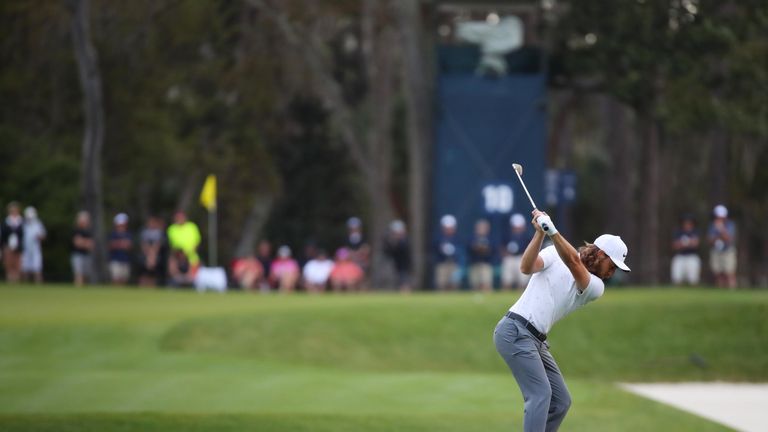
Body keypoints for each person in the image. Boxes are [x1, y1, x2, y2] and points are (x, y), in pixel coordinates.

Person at [494, 210, 630, 431]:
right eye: (612, 266)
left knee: (560, 401)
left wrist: (552, 231)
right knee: (540, 395)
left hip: (534, 339)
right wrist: (539, 233)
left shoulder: (596, 287)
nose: (612, 273)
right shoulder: (554, 254)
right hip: (514, 331)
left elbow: (575, 264)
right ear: (601, 255)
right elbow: (526, 267)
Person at [708, 204, 737, 289]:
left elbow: (729, 238)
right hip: (716, 251)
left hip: (728, 251)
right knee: (717, 272)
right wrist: (719, 237)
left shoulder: (730, 225)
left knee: (729, 272)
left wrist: (721, 229)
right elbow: (710, 240)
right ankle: (720, 290)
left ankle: (732, 290)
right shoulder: (712, 225)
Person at [501, 213, 532, 290]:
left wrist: (525, 256)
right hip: (510, 258)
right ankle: (505, 296)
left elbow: (530, 248)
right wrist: (505, 254)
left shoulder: (526, 236)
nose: (517, 228)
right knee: (507, 279)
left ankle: (521, 297)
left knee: (523, 281)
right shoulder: (507, 235)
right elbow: (502, 246)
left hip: (521, 257)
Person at [671, 214, 701, 286]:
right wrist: (688, 243)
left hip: (692, 256)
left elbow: (696, 244)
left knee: (693, 279)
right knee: (677, 278)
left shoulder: (695, 232)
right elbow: (675, 245)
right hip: (680, 256)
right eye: (685, 222)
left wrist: (683, 244)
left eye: (689, 222)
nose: (687, 224)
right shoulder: (678, 232)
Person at [434, 214, 462, 291]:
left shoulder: (457, 238)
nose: (449, 229)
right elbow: (435, 249)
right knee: (441, 284)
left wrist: (453, 251)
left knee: (454, 285)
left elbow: (459, 251)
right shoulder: (438, 238)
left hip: (454, 264)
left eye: (450, 227)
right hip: (442, 263)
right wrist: (442, 249)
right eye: (447, 227)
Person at [137, 216, 167, 287]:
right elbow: (143, 244)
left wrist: (152, 254)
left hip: (155, 255)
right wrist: (149, 254)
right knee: (145, 269)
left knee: (153, 267)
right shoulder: (144, 232)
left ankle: (152, 285)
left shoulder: (159, 232)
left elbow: (158, 244)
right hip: (145, 255)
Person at [384, 219, 412, 292]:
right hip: (395, 265)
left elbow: (403, 251)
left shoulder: (404, 241)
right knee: (396, 282)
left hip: (404, 266)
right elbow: (387, 252)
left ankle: (405, 292)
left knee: (404, 281)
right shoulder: (391, 242)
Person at [467, 218, 494, 292]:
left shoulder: (490, 238)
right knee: (474, 284)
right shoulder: (472, 237)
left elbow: (492, 249)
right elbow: (470, 248)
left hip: (486, 263)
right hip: (474, 263)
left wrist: (484, 249)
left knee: (486, 283)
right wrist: (478, 248)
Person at [21, 206, 46, 283]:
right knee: (25, 267)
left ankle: (38, 283)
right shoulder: (22, 224)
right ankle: (25, 284)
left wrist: (39, 237)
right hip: (25, 249)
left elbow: (43, 235)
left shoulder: (38, 224)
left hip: (35, 249)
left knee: (37, 267)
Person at [1, 202, 25, 282]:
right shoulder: (6, 222)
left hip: (18, 246)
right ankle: (10, 279)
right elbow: (3, 234)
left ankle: (16, 280)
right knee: (8, 263)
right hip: (8, 245)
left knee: (17, 263)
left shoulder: (21, 221)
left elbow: (23, 235)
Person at [108, 213, 133, 285]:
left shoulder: (128, 234)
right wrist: (122, 244)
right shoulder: (113, 234)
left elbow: (129, 246)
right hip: (115, 259)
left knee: (124, 279)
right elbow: (111, 245)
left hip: (125, 259)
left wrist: (118, 244)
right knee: (115, 279)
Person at [71, 210, 94, 286]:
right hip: (78, 255)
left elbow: (91, 245)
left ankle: (83, 290)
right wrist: (85, 243)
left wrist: (82, 242)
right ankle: (78, 289)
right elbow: (77, 243)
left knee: (86, 275)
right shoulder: (76, 230)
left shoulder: (89, 232)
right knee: (78, 273)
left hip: (87, 255)